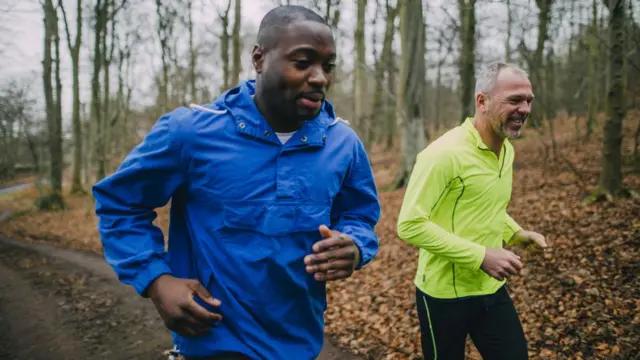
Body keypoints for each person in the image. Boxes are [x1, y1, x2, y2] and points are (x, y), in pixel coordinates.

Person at [92, 5, 380, 360]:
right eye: (303, 62)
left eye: (328, 66)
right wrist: (157, 280)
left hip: (300, 346)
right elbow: (120, 203)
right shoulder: (191, 133)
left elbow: (359, 216)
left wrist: (355, 247)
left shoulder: (342, 143)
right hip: (212, 343)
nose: (320, 77)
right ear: (259, 59)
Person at [396, 61, 548, 360]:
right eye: (515, 99)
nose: (525, 109)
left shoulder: (507, 149)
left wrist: (516, 233)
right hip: (442, 294)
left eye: (529, 100)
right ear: (482, 101)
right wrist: (481, 256)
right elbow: (410, 225)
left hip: (490, 288)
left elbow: (486, 205)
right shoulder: (443, 154)